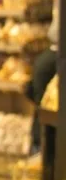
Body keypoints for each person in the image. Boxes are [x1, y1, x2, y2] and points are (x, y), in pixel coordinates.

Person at [27, 22, 58, 150]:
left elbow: (30, 90)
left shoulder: (44, 58)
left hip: (41, 126)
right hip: (49, 131)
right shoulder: (56, 61)